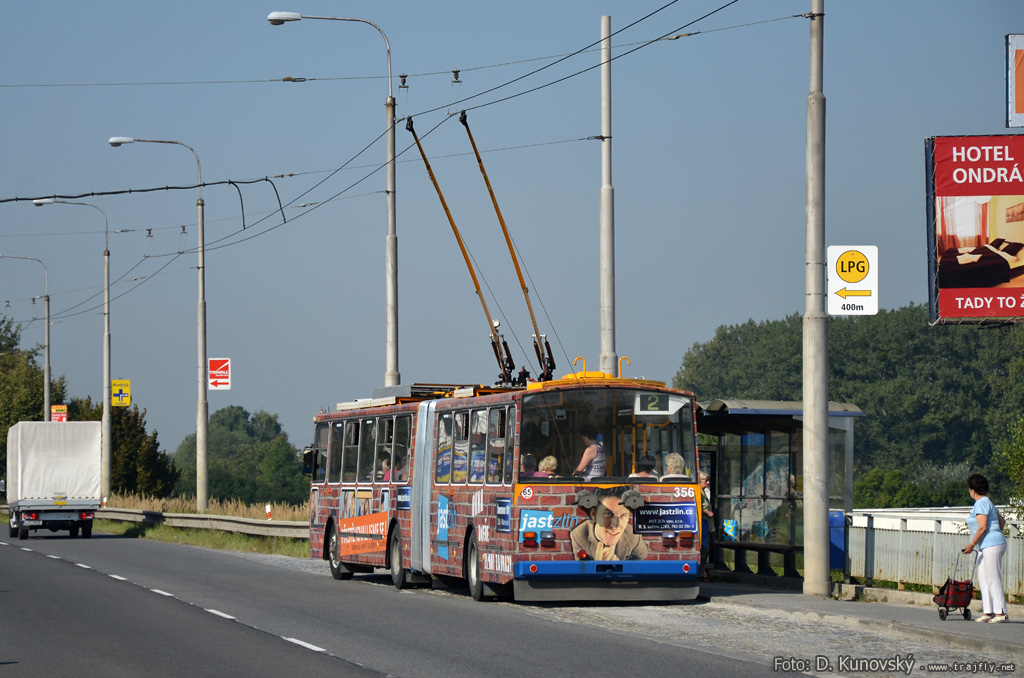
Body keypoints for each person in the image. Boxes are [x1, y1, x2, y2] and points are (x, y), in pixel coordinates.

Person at [963, 473, 1008, 623]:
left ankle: (1001, 612)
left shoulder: (981, 503)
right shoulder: (987, 502)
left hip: (991, 545)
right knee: (983, 576)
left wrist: (972, 544)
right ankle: (988, 612)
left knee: (993, 577)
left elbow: (982, 528)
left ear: (973, 490)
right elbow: (1002, 521)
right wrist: (995, 531)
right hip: (990, 544)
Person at [570, 486, 648, 561]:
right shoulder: (579, 535)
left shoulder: (634, 536)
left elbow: (641, 565)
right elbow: (582, 570)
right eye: (608, 514)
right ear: (593, 514)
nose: (616, 526)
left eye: (623, 515)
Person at [699, 470, 714, 581]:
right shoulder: (698, 493)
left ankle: (703, 572)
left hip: (708, 525)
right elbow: (696, 507)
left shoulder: (704, 493)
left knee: (706, 550)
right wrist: (707, 512)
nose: (708, 482)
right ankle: (702, 573)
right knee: (703, 549)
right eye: (706, 480)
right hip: (703, 525)